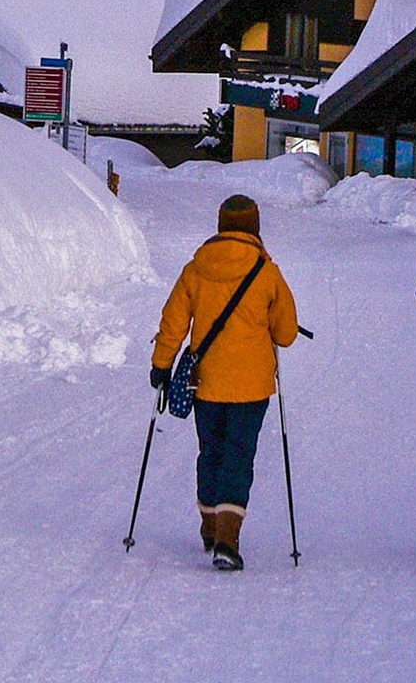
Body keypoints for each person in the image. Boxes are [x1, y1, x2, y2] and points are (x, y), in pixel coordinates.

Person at [152, 194, 299, 571]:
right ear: (255, 227)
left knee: (211, 451)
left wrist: (161, 364)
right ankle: (228, 540)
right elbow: (285, 334)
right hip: (251, 386)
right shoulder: (267, 272)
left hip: (207, 382)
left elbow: (173, 322)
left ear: (221, 225)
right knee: (238, 455)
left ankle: (209, 525)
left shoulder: (195, 269)